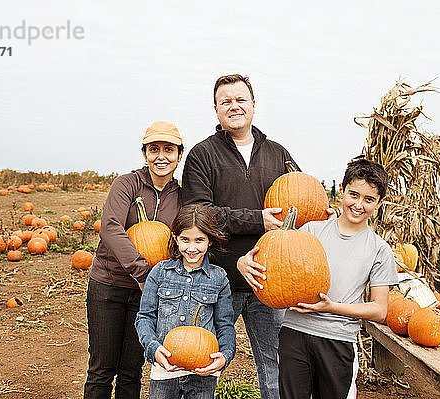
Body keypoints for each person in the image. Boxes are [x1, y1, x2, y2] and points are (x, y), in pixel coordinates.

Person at [181, 74, 303, 399]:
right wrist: (257, 221)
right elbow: (200, 214)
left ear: (253, 105)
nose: (234, 106)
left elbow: (300, 205)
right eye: (226, 101)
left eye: (240, 99)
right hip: (218, 279)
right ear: (216, 110)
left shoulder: (279, 155)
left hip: (270, 282)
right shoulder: (202, 155)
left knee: (276, 369)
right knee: (202, 364)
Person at [241, 158, 398, 399]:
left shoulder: (379, 249)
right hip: (293, 333)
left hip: (338, 340)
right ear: (342, 190)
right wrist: (242, 262)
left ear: (380, 202)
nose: (358, 204)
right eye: (353, 195)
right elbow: (278, 261)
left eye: (369, 199)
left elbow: (379, 309)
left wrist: (331, 307)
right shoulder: (311, 231)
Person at [84, 121, 183, 399]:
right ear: (144, 153)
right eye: (154, 149)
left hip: (148, 295)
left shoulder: (182, 196)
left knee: (131, 369)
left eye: (168, 149)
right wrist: (142, 274)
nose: (161, 156)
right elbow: (111, 227)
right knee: (101, 369)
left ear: (179, 155)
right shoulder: (126, 184)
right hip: (109, 287)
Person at [136, 204, 236, 399]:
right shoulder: (160, 272)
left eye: (199, 240)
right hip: (165, 370)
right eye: (185, 240)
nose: (191, 248)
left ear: (210, 241)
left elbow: (225, 325)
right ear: (176, 238)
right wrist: (153, 349)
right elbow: (145, 317)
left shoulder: (219, 278)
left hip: (204, 372)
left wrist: (225, 355)